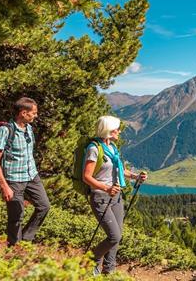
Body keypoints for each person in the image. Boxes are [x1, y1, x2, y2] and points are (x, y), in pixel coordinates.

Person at [83, 115, 147, 275]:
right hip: (100, 197)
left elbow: (119, 170)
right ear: (108, 130)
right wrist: (106, 188)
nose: (119, 131)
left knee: (117, 236)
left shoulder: (112, 148)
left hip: (116, 197)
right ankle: (93, 259)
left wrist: (136, 176)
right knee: (114, 236)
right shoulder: (94, 148)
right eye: (116, 129)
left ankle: (109, 270)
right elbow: (86, 177)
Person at [0, 97, 50, 247]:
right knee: (16, 217)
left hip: (31, 176)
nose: (36, 115)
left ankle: (25, 241)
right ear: (23, 113)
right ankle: (14, 249)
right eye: (33, 113)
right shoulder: (5, 131)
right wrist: (4, 186)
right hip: (13, 179)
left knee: (44, 206)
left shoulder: (29, 129)